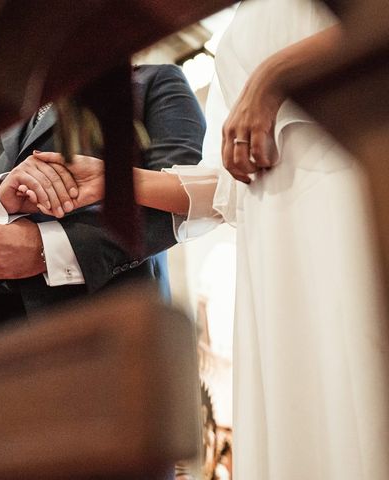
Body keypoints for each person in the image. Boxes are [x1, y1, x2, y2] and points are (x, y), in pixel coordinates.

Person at [22, 1, 389, 478]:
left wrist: (273, 78)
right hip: (274, 249)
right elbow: (224, 184)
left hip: (344, 201)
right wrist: (109, 180)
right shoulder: (242, 21)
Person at [0, 64, 206, 329]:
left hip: (108, 321)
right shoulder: (3, 114)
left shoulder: (154, 81)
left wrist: (47, 249)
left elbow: (185, 198)